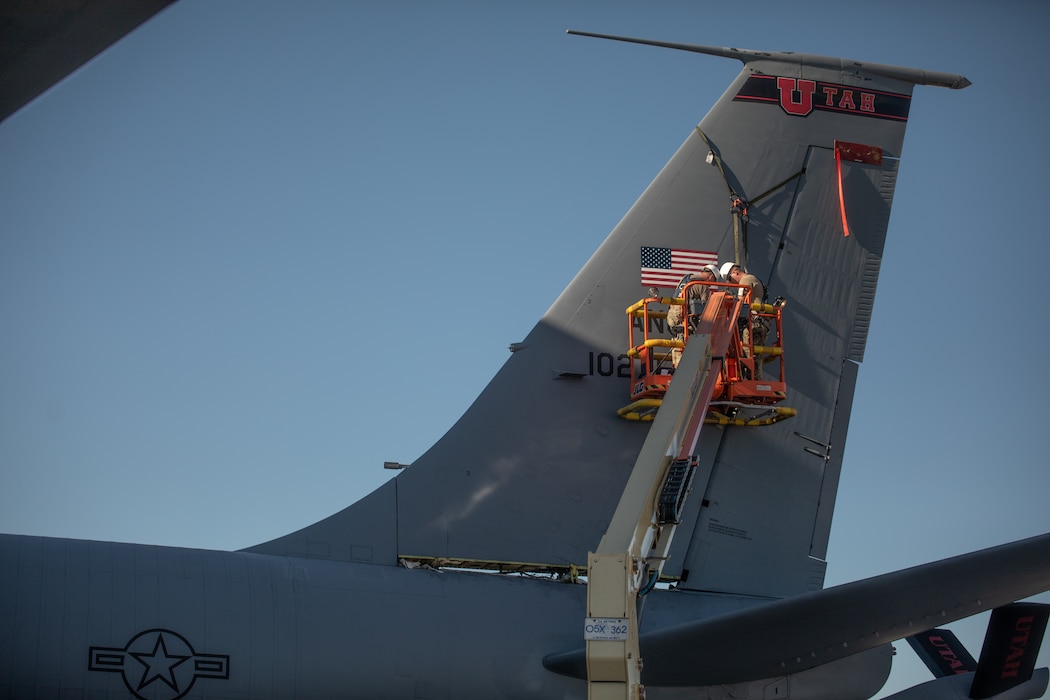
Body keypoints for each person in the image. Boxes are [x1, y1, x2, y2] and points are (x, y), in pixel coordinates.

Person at [719, 262, 768, 378]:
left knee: (749, 355)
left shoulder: (745, 281)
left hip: (754, 323)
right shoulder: (752, 279)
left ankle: (753, 382)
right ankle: (753, 380)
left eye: (730, 279)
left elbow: (740, 303)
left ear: (735, 272)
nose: (731, 283)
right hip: (758, 322)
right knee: (752, 355)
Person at [665, 266, 720, 368]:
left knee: (678, 337)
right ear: (711, 276)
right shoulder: (703, 286)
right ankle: (682, 367)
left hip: (671, 313)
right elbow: (705, 309)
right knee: (685, 337)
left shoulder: (687, 278)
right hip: (682, 313)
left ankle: (677, 366)